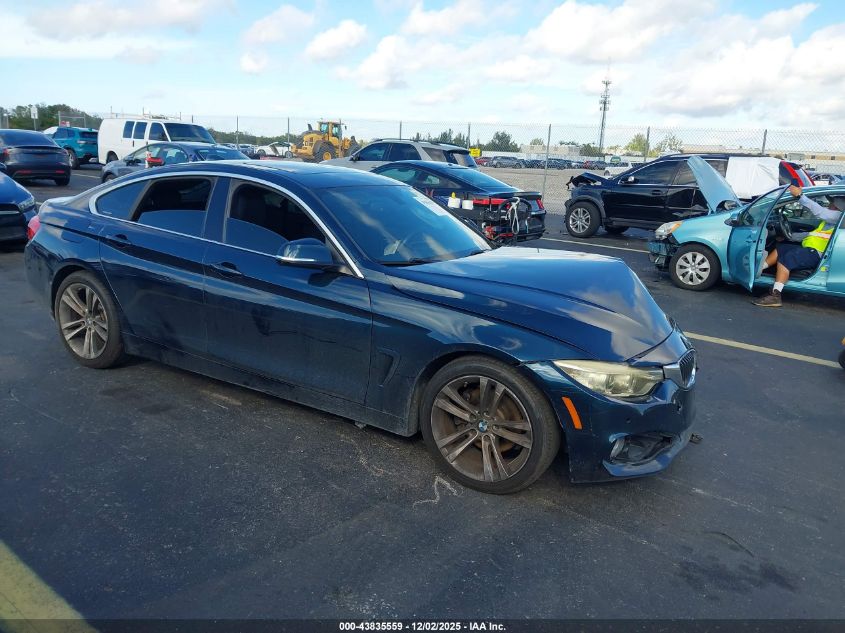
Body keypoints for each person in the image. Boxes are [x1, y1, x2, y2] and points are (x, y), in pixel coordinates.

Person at [753, 184, 844, 307]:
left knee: (787, 258)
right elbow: (811, 234)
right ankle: (756, 271)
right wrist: (789, 236)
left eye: (831, 204)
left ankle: (775, 295)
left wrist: (800, 196)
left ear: (838, 208)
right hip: (811, 250)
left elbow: (820, 212)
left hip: (818, 254)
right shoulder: (829, 222)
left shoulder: (837, 217)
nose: (828, 205)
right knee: (781, 248)